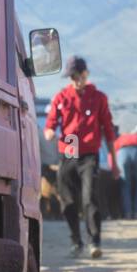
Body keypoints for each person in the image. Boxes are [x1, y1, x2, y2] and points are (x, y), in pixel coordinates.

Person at [44, 55, 119, 258]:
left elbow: (108, 131)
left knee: (89, 198)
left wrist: (113, 162)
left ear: (86, 74)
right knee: (67, 200)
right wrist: (49, 132)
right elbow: (50, 123)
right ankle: (76, 239)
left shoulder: (98, 98)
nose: (76, 80)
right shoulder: (61, 97)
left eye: (79, 76)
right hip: (69, 149)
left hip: (89, 153)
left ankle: (94, 241)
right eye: (72, 77)